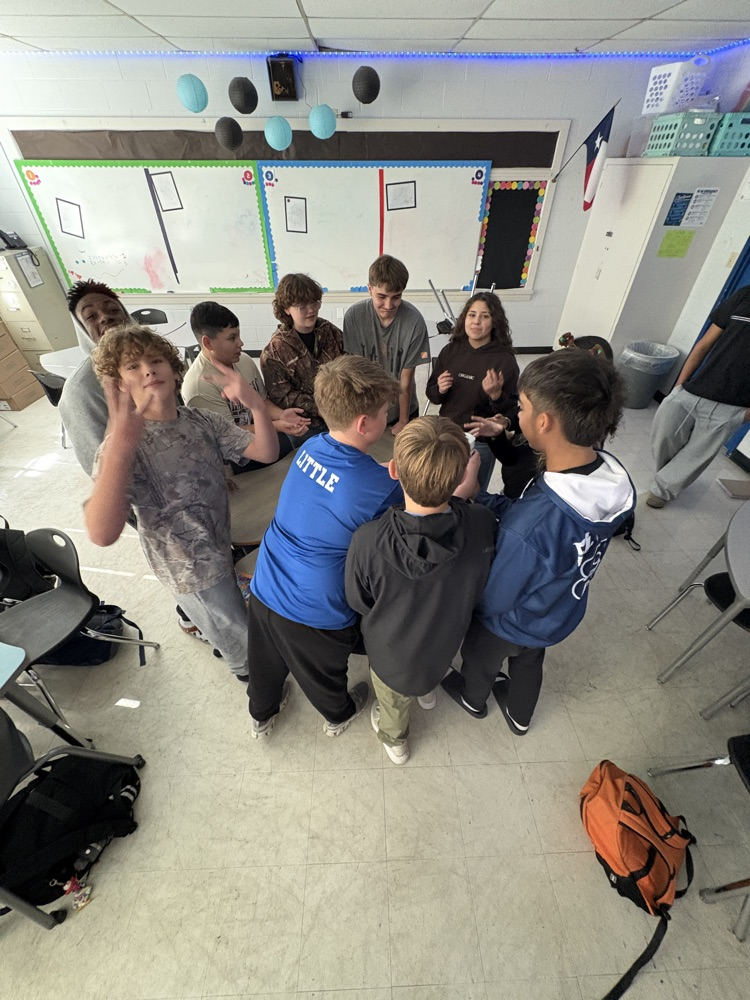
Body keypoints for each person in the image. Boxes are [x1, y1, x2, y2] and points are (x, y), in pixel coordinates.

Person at [442, 349, 635, 735]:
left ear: (544, 422)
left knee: (482, 659)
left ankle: (473, 698)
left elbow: (496, 598)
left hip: (509, 621)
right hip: (558, 609)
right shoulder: (605, 476)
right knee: (529, 662)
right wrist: (478, 495)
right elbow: (528, 515)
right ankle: (520, 716)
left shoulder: (531, 528)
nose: (517, 415)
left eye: (523, 408)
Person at [84, 324, 279, 682]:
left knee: (225, 615)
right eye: (132, 366)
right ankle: (249, 674)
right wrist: (121, 445)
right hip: (188, 567)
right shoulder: (121, 447)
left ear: (174, 369)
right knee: (235, 629)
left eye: (156, 359)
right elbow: (101, 533)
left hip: (219, 541)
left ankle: (200, 624)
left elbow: (266, 451)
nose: (147, 369)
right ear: (119, 383)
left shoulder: (200, 420)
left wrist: (256, 405)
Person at [246, 355, 402, 739]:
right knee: (321, 672)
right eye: (386, 412)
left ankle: (261, 713)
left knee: (264, 662)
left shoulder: (311, 446)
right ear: (366, 424)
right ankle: (339, 714)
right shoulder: (382, 486)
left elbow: (336, 489)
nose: (388, 418)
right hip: (314, 608)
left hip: (264, 583)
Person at [345, 416, 496, 764]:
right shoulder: (483, 523)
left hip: (390, 656)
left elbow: (358, 599)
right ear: (462, 477)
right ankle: (428, 691)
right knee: (428, 669)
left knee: (393, 704)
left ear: (394, 470)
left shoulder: (368, 539)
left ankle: (395, 742)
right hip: (444, 643)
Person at [647, 284, 750, 508]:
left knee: (697, 454)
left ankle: (662, 490)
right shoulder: (744, 295)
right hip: (695, 389)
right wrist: (679, 385)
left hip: (734, 406)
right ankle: (666, 476)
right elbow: (704, 344)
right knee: (663, 435)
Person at [425, 291, 537, 492]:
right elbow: (431, 394)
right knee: (439, 489)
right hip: (446, 435)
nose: (476, 322)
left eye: (485, 316)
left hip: (481, 443)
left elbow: (512, 413)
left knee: (473, 494)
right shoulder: (450, 351)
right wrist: (440, 389)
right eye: (472, 315)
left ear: (495, 322)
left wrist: (495, 396)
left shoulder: (505, 361)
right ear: (464, 318)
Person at [182, 300, 310, 471]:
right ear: (208, 343)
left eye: (238, 335)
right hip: (240, 461)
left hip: (269, 439)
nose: (240, 343)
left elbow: (262, 401)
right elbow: (230, 434)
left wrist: (281, 415)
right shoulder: (199, 387)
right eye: (232, 338)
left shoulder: (244, 360)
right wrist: (277, 425)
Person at [342, 254, 430, 435]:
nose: (389, 305)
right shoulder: (354, 317)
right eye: (381, 296)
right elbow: (356, 374)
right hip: (367, 409)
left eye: (396, 297)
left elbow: (405, 381)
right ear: (369, 289)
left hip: (403, 410)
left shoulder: (414, 321)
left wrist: (404, 420)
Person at [59, 279, 132, 477]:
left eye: (113, 310)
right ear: (82, 330)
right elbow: (100, 468)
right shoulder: (81, 390)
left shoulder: (153, 361)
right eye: (91, 316)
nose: (105, 318)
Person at [260, 273, 344, 443]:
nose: (311, 310)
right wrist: (319, 408)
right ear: (286, 309)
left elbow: (348, 365)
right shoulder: (274, 351)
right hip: (305, 425)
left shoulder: (330, 332)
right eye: (302, 306)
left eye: (315, 302)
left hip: (340, 415)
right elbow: (281, 396)